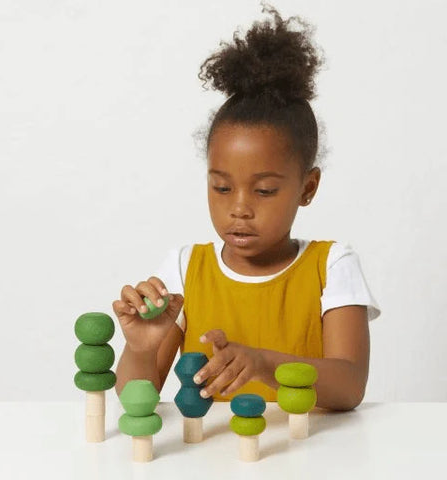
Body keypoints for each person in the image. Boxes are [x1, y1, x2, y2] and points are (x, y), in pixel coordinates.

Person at [112, 3, 380, 411]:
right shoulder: (187, 268)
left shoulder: (331, 266)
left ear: (308, 187)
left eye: (265, 191)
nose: (239, 208)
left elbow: (349, 387)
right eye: (221, 187)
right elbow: (138, 396)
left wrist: (263, 364)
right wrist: (140, 349)